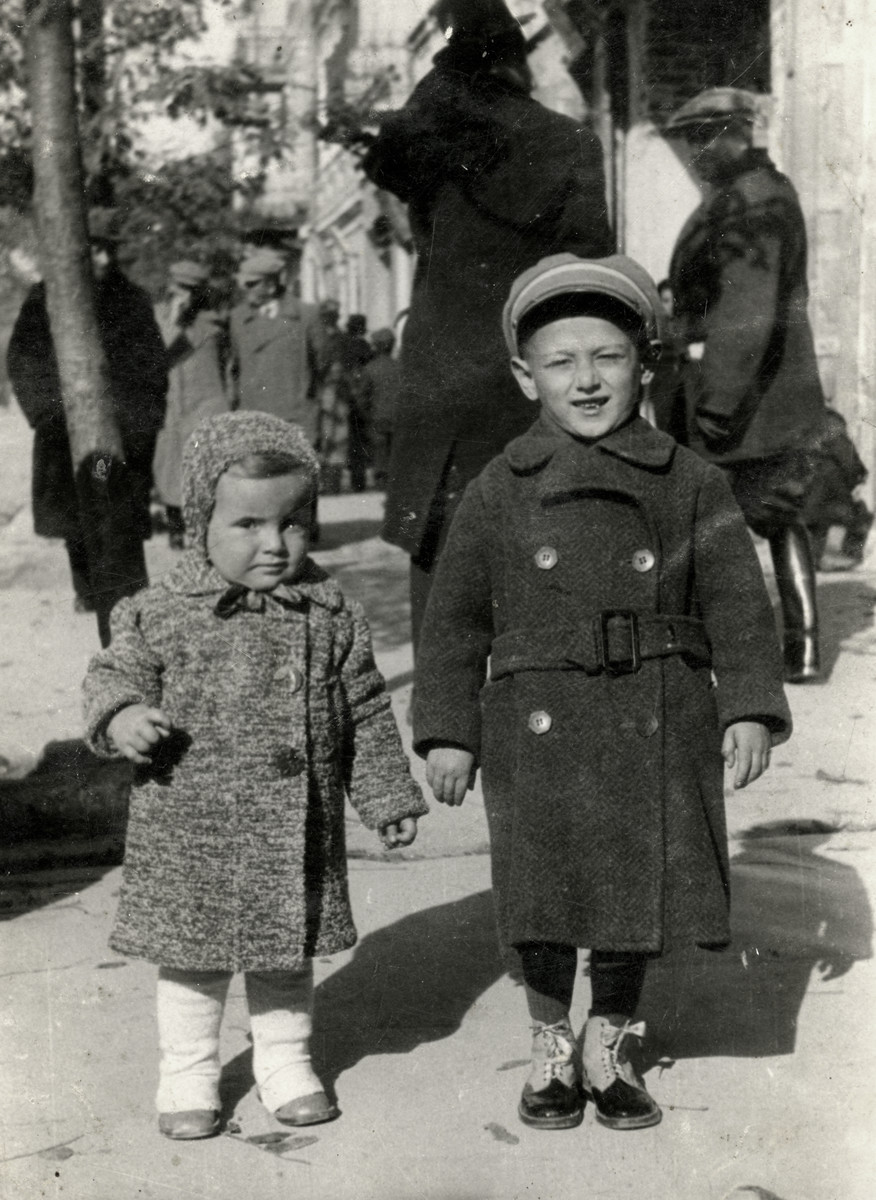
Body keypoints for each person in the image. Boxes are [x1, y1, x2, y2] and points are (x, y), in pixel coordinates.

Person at [413, 254, 792, 1134]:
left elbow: (738, 604)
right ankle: (551, 1039)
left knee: (634, 890)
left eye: (608, 357)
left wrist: (747, 705)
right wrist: (449, 730)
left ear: (645, 364)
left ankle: (610, 1041)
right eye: (560, 361)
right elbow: (454, 619)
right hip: (534, 720)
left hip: (655, 710)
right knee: (543, 891)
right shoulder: (499, 487)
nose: (585, 380)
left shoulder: (691, 481)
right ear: (523, 375)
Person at [82, 411, 427, 1141]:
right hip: (192, 826)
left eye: (295, 523)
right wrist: (121, 716)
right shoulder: (161, 612)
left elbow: (364, 706)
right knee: (192, 960)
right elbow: (112, 673)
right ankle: (187, 1070)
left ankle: (285, 1061)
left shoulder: (329, 612)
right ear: (199, 522)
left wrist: (386, 795)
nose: (275, 545)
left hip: (290, 827)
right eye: (247, 525)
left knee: (283, 952)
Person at [360, 0, 613, 650]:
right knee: (546, 549)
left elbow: (385, 156)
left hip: (444, 382)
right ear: (518, 57)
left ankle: (447, 725)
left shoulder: (438, 141)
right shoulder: (571, 142)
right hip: (533, 385)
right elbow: (590, 264)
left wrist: (444, 75)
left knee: (440, 559)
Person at [664, 87, 830, 682]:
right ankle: (802, 647)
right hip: (768, 392)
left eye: (702, 142)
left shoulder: (752, 204)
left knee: (727, 519)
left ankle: (752, 652)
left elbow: (746, 312)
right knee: (778, 517)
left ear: (732, 134)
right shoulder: (748, 198)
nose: (696, 156)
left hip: (751, 396)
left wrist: (716, 403)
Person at [7, 207, 168, 611]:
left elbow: (151, 366)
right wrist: (49, 413)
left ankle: (128, 593)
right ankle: (87, 588)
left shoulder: (132, 301)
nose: (104, 260)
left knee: (118, 511)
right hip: (63, 432)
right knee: (75, 516)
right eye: (95, 250)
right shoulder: (45, 299)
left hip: (120, 432)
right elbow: (24, 360)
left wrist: (138, 424)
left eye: (110, 251)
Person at [152, 260, 230, 548]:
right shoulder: (156, 318)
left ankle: (202, 529)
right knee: (169, 467)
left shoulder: (212, 324)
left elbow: (226, 365)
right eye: (178, 287)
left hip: (204, 403)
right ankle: (175, 526)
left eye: (190, 290)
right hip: (170, 404)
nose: (183, 295)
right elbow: (156, 354)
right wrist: (172, 319)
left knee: (201, 468)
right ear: (170, 286)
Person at [359, 327, 401, 489]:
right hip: (399, 416)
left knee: (380, 452)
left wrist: (365, 415)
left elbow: (361, 396)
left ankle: (382, 481)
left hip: (377, 417)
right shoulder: (401, 367)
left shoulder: (370, 369)